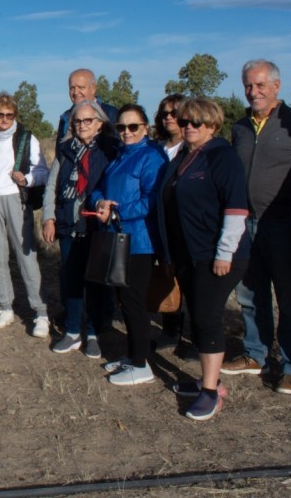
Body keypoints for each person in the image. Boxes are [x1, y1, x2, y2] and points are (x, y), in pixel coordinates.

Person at [222, 61, 291, 395]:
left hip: (283, 224)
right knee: (249, 294)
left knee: (290, 300)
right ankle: (254, 354)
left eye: (261, 85)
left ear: (277, 86)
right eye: (249, 86)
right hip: (245, 224)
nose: (254, 92)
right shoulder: (240, 126)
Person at [156, 98, 250, 420]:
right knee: (197, 314)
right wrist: (169, 253)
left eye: (197, 122)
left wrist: (224, 253)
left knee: (208, 317)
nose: (189, 127)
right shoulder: (184, 156)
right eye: (184, 122)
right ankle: (209, 381)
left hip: (216, 255)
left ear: (213, 124)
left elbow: (236, 209)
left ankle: (210, 393)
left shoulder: (222, 157)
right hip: (186, 254)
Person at [92, 104, 167, 385]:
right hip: (117, 237)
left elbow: (152, 198)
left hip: (139, 241)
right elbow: (101, 187)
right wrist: (100, 202)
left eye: (133, 127)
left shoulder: (151, 157)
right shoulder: (120, 156)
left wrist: (118, 212)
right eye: (121, 127)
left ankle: (141, 364)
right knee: (123, 300)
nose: (126, 132)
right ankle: (133, 355)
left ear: (145, 128)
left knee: (134, 302)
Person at [41, 100, 118, 358]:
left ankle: (93, 333)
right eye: (77, 121)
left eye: (88, 120)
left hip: (96, 226)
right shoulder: (65, 149)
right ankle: (72, 332)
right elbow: (52, 185)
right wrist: (48, 218)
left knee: (95, 283)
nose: (82, 125)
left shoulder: (110, 149)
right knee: (71, 281)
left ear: (99, 123)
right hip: (68, 225)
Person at [0, 92, 50, 336]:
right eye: (0, 114)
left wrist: (26, 178)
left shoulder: (27, 139)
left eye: (9, 115)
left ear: (15, 115)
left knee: (25, 256)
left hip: (16, 199)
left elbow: (43, 172)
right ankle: (5, 307)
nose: (5, 119)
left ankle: (40, 313)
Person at [152, 94, 186, 350]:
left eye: (174, 113)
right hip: (159, 223)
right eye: (164, 114)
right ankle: (170, 330)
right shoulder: (158, 148)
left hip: (184, 223)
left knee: (191, 282)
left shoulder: (194, 147)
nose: (169, 118)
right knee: (166, 277)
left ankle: (197, 339)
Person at [55, 68, 119, 141]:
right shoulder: (65, 117)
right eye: (72, 88)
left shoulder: (110, 113)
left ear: (94, 88)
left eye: (81, 87)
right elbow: (60, 149)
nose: (75, 92)